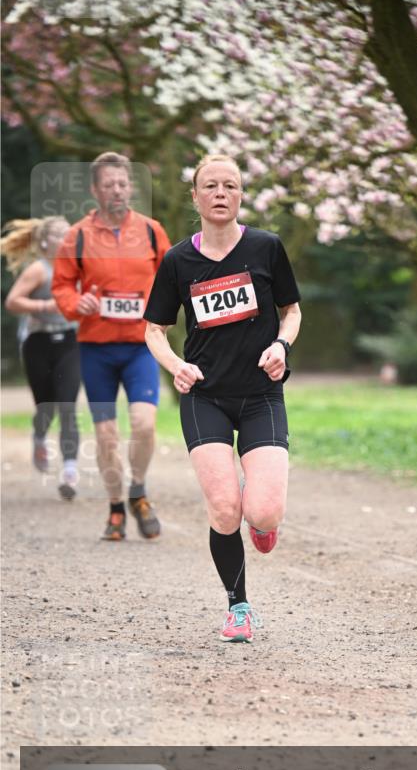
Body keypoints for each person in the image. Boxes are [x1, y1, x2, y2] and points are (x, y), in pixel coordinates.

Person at [144, 153, 302, 644]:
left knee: (263, 512)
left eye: (229, 186)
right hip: (205, 396)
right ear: (195, 196)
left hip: (260, 395)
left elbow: (291, 311)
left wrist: (280, 344)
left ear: (240, 195)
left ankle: (264, 523)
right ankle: (239, 608)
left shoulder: (266, 247)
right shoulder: (177, 261)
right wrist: (177, 366)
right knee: (223, 509)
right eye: (209, 186)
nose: (219, 193)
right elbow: (154, 330)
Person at [51, 151, 171, 540]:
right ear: (95, 190)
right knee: (105, 435)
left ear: (130, 186)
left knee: (144, 424)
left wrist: (164, 314)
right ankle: (116, 506)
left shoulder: (152, 231)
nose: (116, 190)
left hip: (140, 347)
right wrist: (75, 304)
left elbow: (173, 277)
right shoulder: (78, 236)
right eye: (108, 185)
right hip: (97, 349)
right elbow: (62, 285)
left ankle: (138, 490)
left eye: (122, 183)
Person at [2, 216, 81, 500]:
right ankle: (39, 436)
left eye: (69, 234)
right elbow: (12, 301)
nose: (66, 239)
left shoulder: (77, 268)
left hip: (71, 342)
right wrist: (45, 304)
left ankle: (70, 471)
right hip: (37, 343)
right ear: (46, 241)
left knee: (68, 404)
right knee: (46, 406)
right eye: (60, 235)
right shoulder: (38, 269)